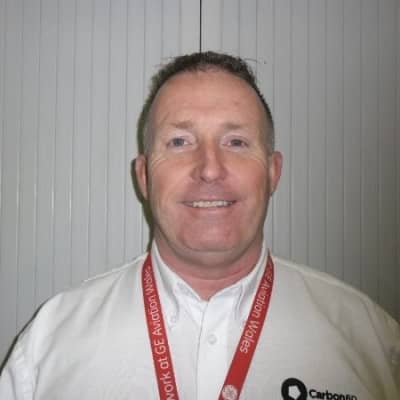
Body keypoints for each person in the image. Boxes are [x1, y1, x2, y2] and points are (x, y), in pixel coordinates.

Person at [0, 51, 399, 400]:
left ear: (273, 172)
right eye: (180, 142)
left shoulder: (372, 342)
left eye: (236, 142)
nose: (209, 169)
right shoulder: (50, 341)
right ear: (144, 176)